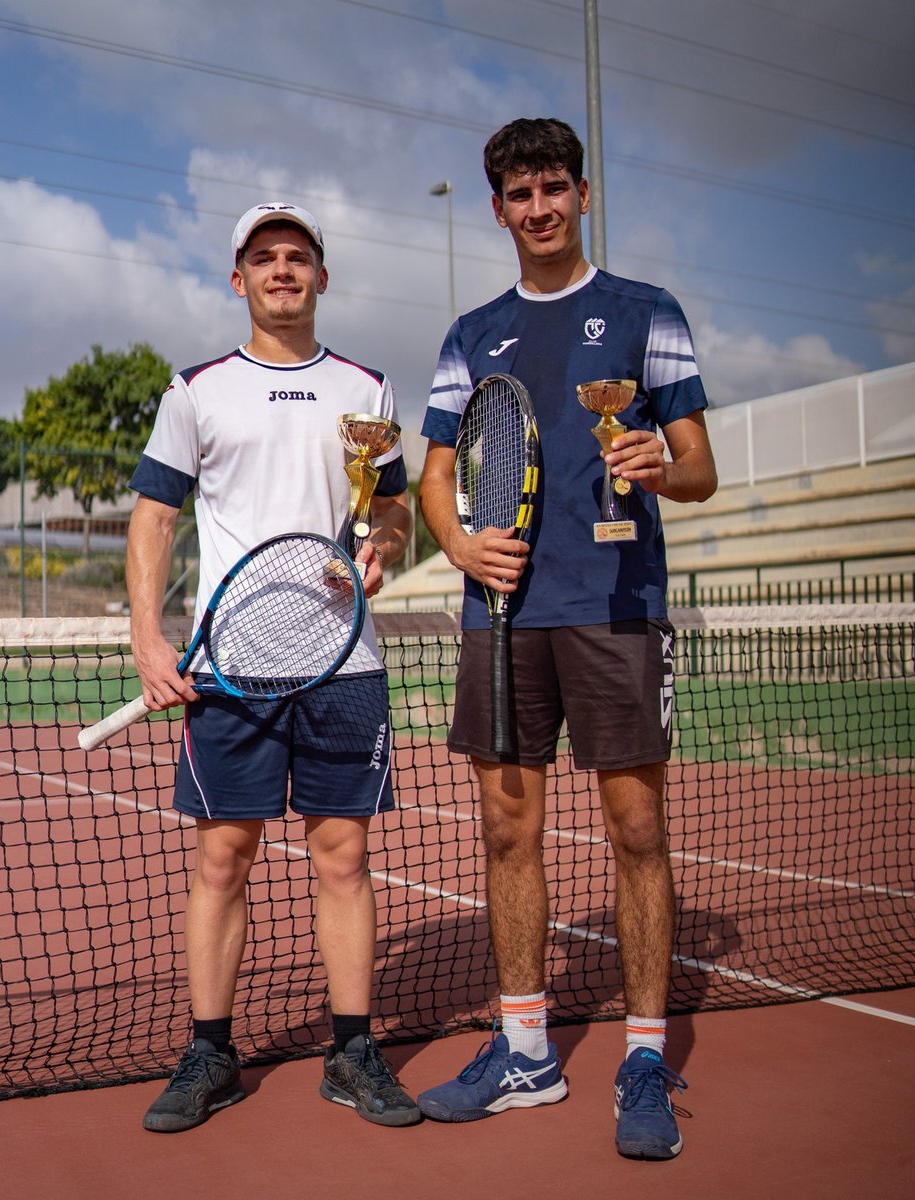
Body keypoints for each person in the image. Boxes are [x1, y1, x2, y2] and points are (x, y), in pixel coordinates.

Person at [416, 118, 717, 1159]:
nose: (537, 207)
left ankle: (642, 1057)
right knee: (508, 833)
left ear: (582, 195)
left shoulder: (646, 313)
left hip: (617, 608)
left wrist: (655, 461)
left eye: (553, 187)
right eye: (519, 193)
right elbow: (435, 471)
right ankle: (526, 1050)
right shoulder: (471, 333)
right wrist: (458, 544)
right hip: (501, 616)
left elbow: (700, 466)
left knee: (637, 830)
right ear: (497, 209)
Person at [128, 201, 419, 1132]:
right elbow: (155, 517)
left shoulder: (368, 389)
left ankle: (352, 1052)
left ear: (321, 277)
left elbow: (396, 517)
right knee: (223, 857)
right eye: (265, 257)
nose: (283, 269)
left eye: (298, 256)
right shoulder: (197, 390)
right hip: (233, 668)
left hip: (344, 664)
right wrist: (146, 635)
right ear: (239, 279)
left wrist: (381, 547)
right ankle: (209, 1052)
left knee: (345, 855)